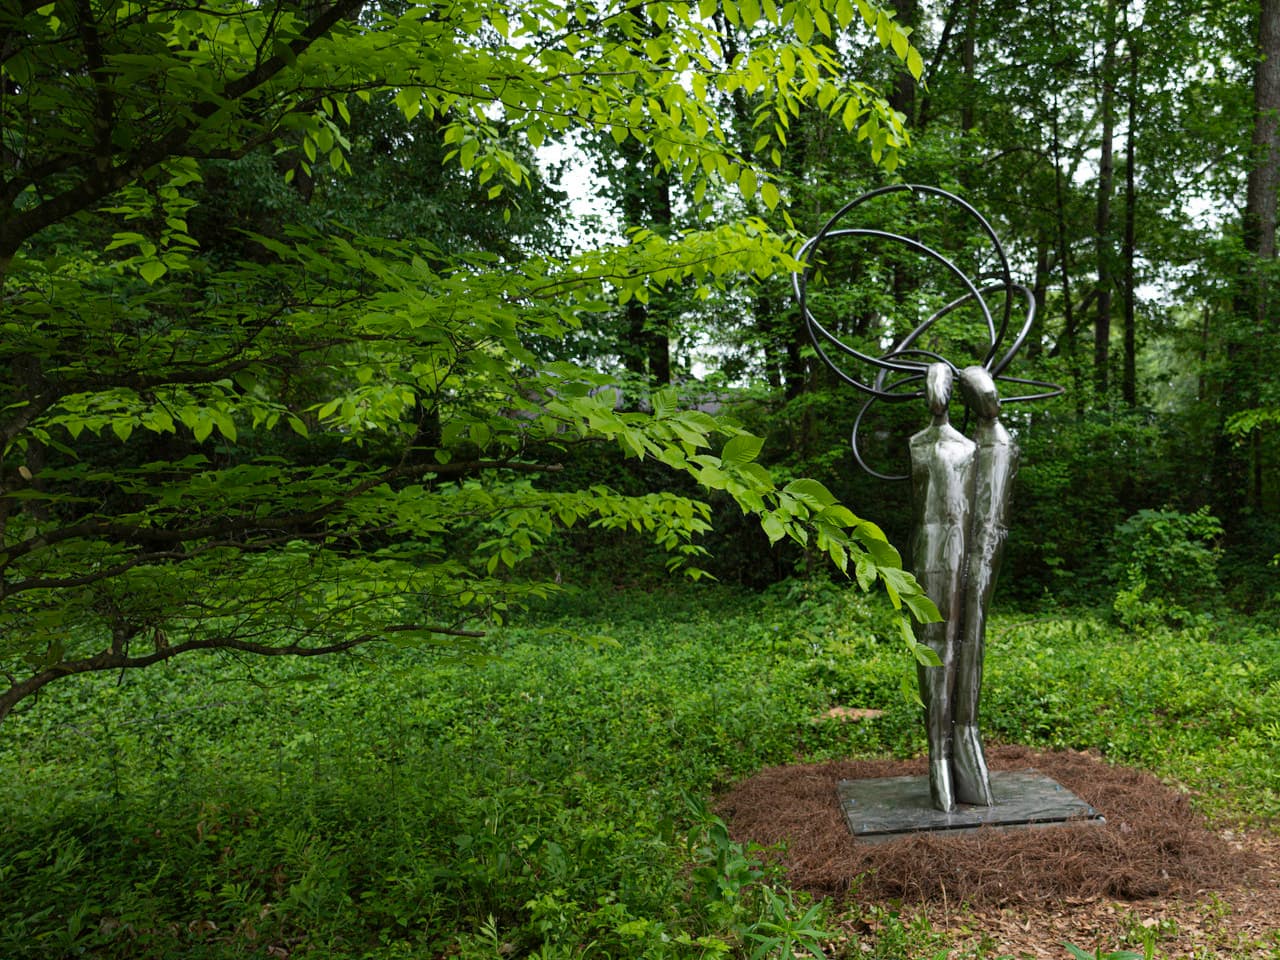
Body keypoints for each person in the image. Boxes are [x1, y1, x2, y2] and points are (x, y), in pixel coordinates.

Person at [909, 364, 1016, 811]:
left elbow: (992, 517)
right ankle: (941, 755)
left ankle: (964, 739)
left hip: (974, 547)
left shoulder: (992, 447)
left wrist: (988, 412)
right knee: (940, 636)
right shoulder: (930, 445)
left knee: (971, 632)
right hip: (936, 549)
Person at [908, 364, 976, 812]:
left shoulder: (969, 446)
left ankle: (953, 757)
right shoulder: (915, 442)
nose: (938, 395)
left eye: (943, 387)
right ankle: (937, 758)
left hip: (954, 547)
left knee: (951, 644)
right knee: (931, 643)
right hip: (925, 546)